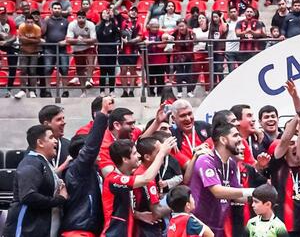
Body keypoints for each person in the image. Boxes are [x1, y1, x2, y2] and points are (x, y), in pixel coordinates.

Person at [101, 137, 177, 235]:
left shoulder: (128, 176)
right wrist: (161, 153)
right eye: (134, 153)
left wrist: (137, 215)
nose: (139, 155)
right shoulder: (114, 179)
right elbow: (146, 178)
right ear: (125, 159)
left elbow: (120, 207)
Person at [189, 123, 254, 236]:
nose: (240, 139)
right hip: (199, 227)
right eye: (235, 135)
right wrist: (251, 191)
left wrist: (260, 197)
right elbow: (217, 191)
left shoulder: (232, 164)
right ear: (223, 140)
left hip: (219, 226)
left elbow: (237, 196)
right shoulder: (205, 160)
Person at [3, 125, 68, 236]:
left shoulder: (42, 163)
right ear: (40, 143)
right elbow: (28, 196)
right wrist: (59, 199)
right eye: (51, 137)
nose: (55, 141)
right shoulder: (31, 163)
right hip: (26, 230)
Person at [61, 97, 113, 236]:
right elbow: (91, 148)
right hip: (78, 231)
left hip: (89, 229)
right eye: (97, 150)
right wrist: (102, 115)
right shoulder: (78, 168)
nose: (99, 151)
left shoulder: (92, 171)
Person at [66, 11, 97, 97]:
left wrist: (81, 40)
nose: (81, 19)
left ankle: (88, 79)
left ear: (85, 18)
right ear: (77, 18)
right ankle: (83, 92)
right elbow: (68, 40)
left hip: (89, 48)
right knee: (80, 70)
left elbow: (94, 39)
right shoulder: (72, 25)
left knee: (91, 61)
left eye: (83, 17)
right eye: (79, 17)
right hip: (77, 49)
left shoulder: (90, 25)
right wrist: (77, 40)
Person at [42, 2, 70, 98]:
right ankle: (48, 90)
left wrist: (66, 41)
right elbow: (42, 32)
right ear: (51, 9)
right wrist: (44, 22)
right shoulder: (47, 20)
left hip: (62, 49)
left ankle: (65, 90)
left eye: (59, 8)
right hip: (49, 48)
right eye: (55, 8)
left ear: (61, 10)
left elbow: (70, 35)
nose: (57, 10)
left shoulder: (66, 21)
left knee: (64, 69)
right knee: (48, 69)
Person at [15, 15, 42, 99]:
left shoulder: (37, 28)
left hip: (34, 52)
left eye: (31, 22)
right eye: (28, 22)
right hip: (24, 51)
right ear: (25, 22)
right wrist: (32, 40)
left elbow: (38, 41)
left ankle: (32, 91)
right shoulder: (21, 27)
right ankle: (22, 90)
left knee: (32, 71)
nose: (30, 24)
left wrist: (27, 39)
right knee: (23, 70)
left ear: (33, 22)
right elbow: (21, 40)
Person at [95, 9, 120, 97]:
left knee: (111, 72)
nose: (106, 15)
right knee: (103, 72)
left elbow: (117, 35)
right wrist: (103, 22)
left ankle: (112, 91)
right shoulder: (98, 26)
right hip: (102, 51)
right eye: (104, 13)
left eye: (107, 13)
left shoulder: (113, 25)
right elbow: (98, 35)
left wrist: (112, 19)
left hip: (111, 51)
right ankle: (102, 91)